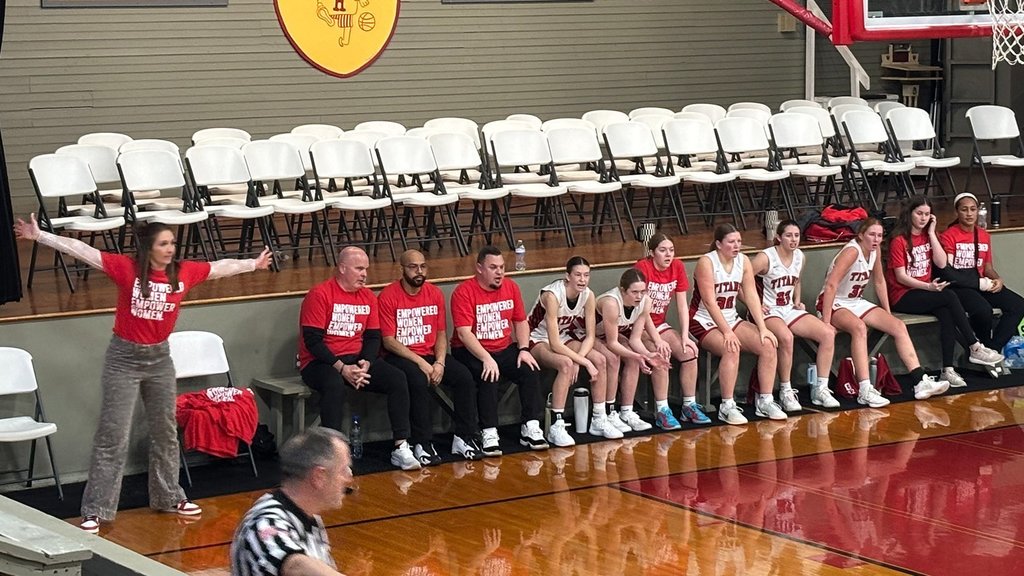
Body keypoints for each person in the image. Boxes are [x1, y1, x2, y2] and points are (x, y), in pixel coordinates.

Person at [13, 215, 272, 534]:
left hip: (160, 357)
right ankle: (95, 509)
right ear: (148, 247)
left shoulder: (184, 273)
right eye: (164, 243)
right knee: (113, 435)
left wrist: (252, 263)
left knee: (164, 430)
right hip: (123, 357)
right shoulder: (127, 269)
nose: (170, 249)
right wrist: (41, 237)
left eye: (173, 243)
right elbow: (83, 251)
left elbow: (220, 268)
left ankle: (168, 495)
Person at [298, 246, 420, 472]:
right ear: (342, 268)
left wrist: (366, 362)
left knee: (397, 378)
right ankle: (333, 457)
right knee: (333, 385)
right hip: (320, 362)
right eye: (359, 269)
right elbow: (313, 341)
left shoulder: (368, 297)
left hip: (355, 360)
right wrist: (342, 368)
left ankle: (400, 446)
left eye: (366, 269)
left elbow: (373, 337)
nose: (364, 274)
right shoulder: (320, 294)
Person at [819, 218, 949, 408]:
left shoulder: (875, 250)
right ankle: (865, 389)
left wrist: (887, 313)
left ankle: (920, 381)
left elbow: (879, 281)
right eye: (872, 234)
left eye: (879, 235)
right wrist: (826, 320)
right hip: (834, 301)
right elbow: (830, 285)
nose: (876, 239)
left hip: (854, 301)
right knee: (859, 328)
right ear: (861, 235)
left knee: (897, 326)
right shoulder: (851, 252)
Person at [377, 249, 483, 462]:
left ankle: (463, 436)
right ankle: (422, 442)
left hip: (430, 355)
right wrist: (422, 364)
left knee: (463, 376)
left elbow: (441, 333)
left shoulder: (434, 294)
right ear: (402, 269)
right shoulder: (388, 295)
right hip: (401, 356)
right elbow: (389, 341)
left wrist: (440, 362)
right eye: (413, 267)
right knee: (418, 380)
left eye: (423, 266)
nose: (419, 271)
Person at [888, 196, 1004, 387]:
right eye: (919, 214)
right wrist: (928, 287)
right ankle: (974, 346)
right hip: (903, 295)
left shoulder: (927, 237)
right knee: (950, 295)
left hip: (926, 292)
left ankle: (947, 370)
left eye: (927, 214)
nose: (923, 218)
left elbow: (941, 263)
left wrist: (932, 233)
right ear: (910, 214)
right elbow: (901, 277)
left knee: (947, 312)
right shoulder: (899, 241)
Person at [450, 245, 547, 457]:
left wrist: (523, 349)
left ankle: (530, 425)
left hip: (503, 347)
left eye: (502, 267)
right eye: (493, 267)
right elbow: (465, 334)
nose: (499, 272)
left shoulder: (511, 287)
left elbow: (520, 321)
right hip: (469, 350)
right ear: (479, 269)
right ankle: (489, 431)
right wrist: (486, 358)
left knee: (529, 369)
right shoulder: (464, 291)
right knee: (488, 374)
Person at [230, 427, 353, 576]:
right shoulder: (265, 520)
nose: (349, 478)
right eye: (343, 470)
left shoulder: (310, 519)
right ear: (319, 476)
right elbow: (294, 564)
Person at [690, 223, 780, 425]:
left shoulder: (744, 261)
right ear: (719, 244)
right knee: (731, 348)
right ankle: (726, 406)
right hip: (703, 319)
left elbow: (751, 296)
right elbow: (709, 302)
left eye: (739, 241)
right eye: (731, 242)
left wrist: (763, 327)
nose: (737, 245)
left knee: (768, 344)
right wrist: (727, 332)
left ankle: (765, 400)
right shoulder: (706, 262)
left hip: (731, 317)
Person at [750, 220, 839, 409]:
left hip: (788, 308)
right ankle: (785, 390)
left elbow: (796, 279)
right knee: (786, 338)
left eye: (797, 235)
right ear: (779, 238)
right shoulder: (766, 257)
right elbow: (742, 279)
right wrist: (755, 304)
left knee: (828, 333)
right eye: (789, 235)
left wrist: (797, 299)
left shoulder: (800, 256)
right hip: (769, 310)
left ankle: (820, 388)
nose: (793, 240)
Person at [526, 256, 609, 446]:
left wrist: (583, 359)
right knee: (566, 364)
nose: (582, 279)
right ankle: (557, 425)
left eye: (586, 275)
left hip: (562, 337)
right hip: (537, 338)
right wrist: (582, 361)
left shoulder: (588, 295)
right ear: (567, 276)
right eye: (578, 275)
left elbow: (589, 336)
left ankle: (599, 418)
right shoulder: (552, 296)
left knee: (600, 359)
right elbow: (554, 344)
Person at [634, 233, 707, 428]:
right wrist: (657, 340)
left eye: (671, 250)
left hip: (660, 324)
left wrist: (685, 336)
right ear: (652, 252)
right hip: (638, 325)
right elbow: (642, 311)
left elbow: (682, 305)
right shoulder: (643, 267)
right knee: (661, 353)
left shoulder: (678, 266)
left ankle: (688, 406)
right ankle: (662, 409)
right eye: (663, 250)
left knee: (689, 351)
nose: (668, 255)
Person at [940, 192, 1024, 355]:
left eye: (973, 209)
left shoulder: (983, 235)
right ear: (957, 212)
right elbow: (948, 270)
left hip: (980, 282)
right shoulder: (948, 236)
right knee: (983, 310)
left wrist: (997, 279)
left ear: (978, 211)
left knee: (1018, 305)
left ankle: (993, 348)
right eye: (964, 209)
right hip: (960, 286)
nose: (969, 213)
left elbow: (987, 267)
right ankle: (983, 346)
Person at [591, 269, 670, 435]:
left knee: (633, 359)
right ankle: (608, 412)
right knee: (613, 358)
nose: (639, 296)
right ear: (622, 290)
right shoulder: (611, 303)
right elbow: (612, 343)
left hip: (609, 335)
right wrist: (639, 355)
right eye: (634, 292)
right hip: (587, 336)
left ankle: (626, 411)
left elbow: (635, 339)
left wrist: (648, 355)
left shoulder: (645, 302)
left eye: (643, 291)